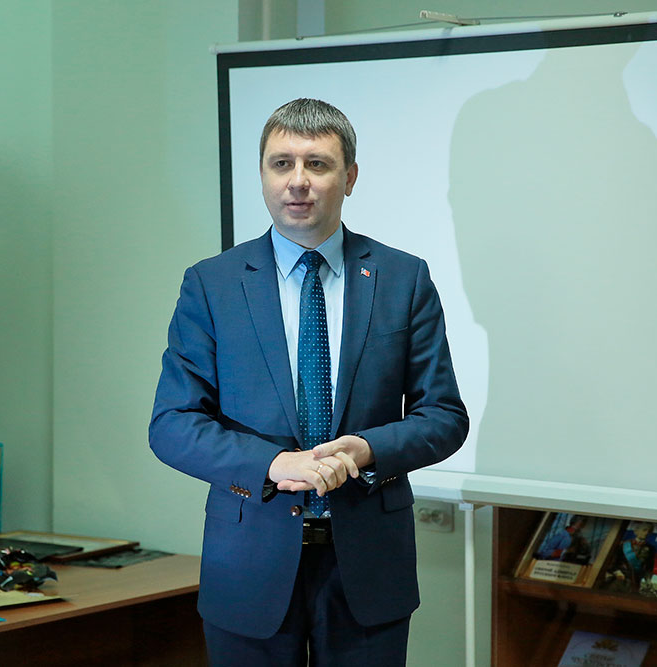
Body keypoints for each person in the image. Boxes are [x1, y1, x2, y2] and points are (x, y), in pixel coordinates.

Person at [149, 98, 468, 665]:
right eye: (282, 163)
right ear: (263, 175)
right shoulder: (211, 284)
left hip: (368, 565)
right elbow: (173, 423)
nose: (297, 181)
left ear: (350, 177)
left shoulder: (404, 278)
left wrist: (367, 449)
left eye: (317, 164)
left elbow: (443, 416)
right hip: (247, 561)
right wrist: (275, 464)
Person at [602, 521, 655, 594]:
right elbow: (612, 561)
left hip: (635, 582)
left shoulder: (651, 549)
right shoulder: (623, 545)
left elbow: (649, 567)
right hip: (619, 579)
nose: (646, 533)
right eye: (644, 530)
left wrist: (648, 580)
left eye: (649, 531)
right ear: (636, 531)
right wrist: (617, 572)